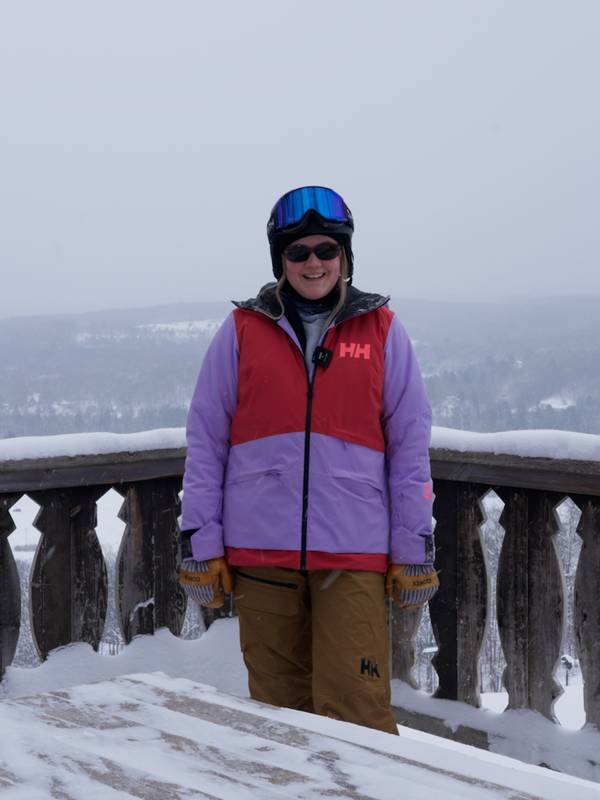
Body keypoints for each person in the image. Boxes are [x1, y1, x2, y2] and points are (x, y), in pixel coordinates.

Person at [179, 185, 438, 734]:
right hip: (261, 554)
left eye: (326, 249)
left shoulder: (382, 330)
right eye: (297, 251)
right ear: (281, 259)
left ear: (345, 255)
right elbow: (206, 439)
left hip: (353, 553)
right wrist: (201, 543)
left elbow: (410, 447)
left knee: (358, 712)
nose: (313, 262)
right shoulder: (243, 330)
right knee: (278, 716)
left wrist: (413, 548)